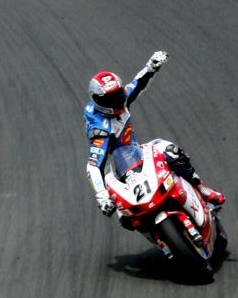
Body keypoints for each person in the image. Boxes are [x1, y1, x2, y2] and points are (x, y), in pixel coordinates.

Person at [84, 51, 225, 220]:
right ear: (97, 101)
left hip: (136, 153)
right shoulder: (100, 129)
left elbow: (137, 83)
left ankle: (203, 190)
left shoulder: (121, 99)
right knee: (125, 217)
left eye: (118, 94)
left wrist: (151, 66)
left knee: (171, 150)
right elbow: (93, 166)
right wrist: (102, 196)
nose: (118, 101)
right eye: (110, 100)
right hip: (117, 172)